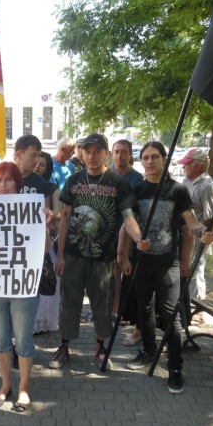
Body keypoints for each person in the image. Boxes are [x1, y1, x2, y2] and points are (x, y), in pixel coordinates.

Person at [123, 141, 213, 394]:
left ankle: (175, 367)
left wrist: (203, 232)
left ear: (164, 159)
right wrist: (129, 252)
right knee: (144, 309)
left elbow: (190, 223)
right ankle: (148, 351)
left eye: (155, 156)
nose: (150, 161)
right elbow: (129, 222)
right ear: (141, 161)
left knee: (171, 317)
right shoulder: (136, 190)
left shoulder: (178, 190)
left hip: (168, 264)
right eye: (146, 157)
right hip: (142, 262)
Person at [50, 133, 150, 371]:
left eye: (97, 152)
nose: (91, 156)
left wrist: (138, 238)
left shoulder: (118, 182)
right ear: (82, 153)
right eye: (87, 151)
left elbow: (128, 218)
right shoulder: (74, 180)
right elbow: (66, 217)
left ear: (107, 154)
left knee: (102, 305)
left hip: (103, 258)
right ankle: (64, 346)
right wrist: (60, 255)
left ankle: (101, 347)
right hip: (73, 255)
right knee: (69, 303)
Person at [0, 162, 51, 412]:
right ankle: (5, 386)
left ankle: (23, 388)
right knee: (1, 339)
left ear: (18, 183)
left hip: (23, 285)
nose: (2, 185)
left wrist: (45, 226)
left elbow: (44, 249)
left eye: (8, 179)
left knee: (23, 340)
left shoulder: (32, 210)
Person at [110, 139, 144, 345]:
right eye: (116, 151)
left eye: (123, 151)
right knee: (112, 273)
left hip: (129, 233)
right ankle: (113, 308)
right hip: (108, 232)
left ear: (130, 154)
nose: (119, 155)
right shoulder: (107, 175)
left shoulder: (137, 179)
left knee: (125, 271)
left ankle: (123, 309)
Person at [177, 149, 213, 301]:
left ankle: (197, 307)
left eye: (187, 164)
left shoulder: (207, 186)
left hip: (197, 240)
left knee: (194, 275)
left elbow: (212, 217)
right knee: (183, 274)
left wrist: (206, 239)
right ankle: (184, 306)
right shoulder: (186, 182)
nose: (184, 167)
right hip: (184, 237)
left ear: (198, 166)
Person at [32, 151, 62, 333]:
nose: (37, 167)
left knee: (46, 281)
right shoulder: (21, 183)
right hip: (25, 242)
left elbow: (59, 213)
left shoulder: (52, 188)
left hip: (46, 240)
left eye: (41, 165)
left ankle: (43, 321)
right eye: (35, 163)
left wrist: (48, 213)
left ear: (47, 169)